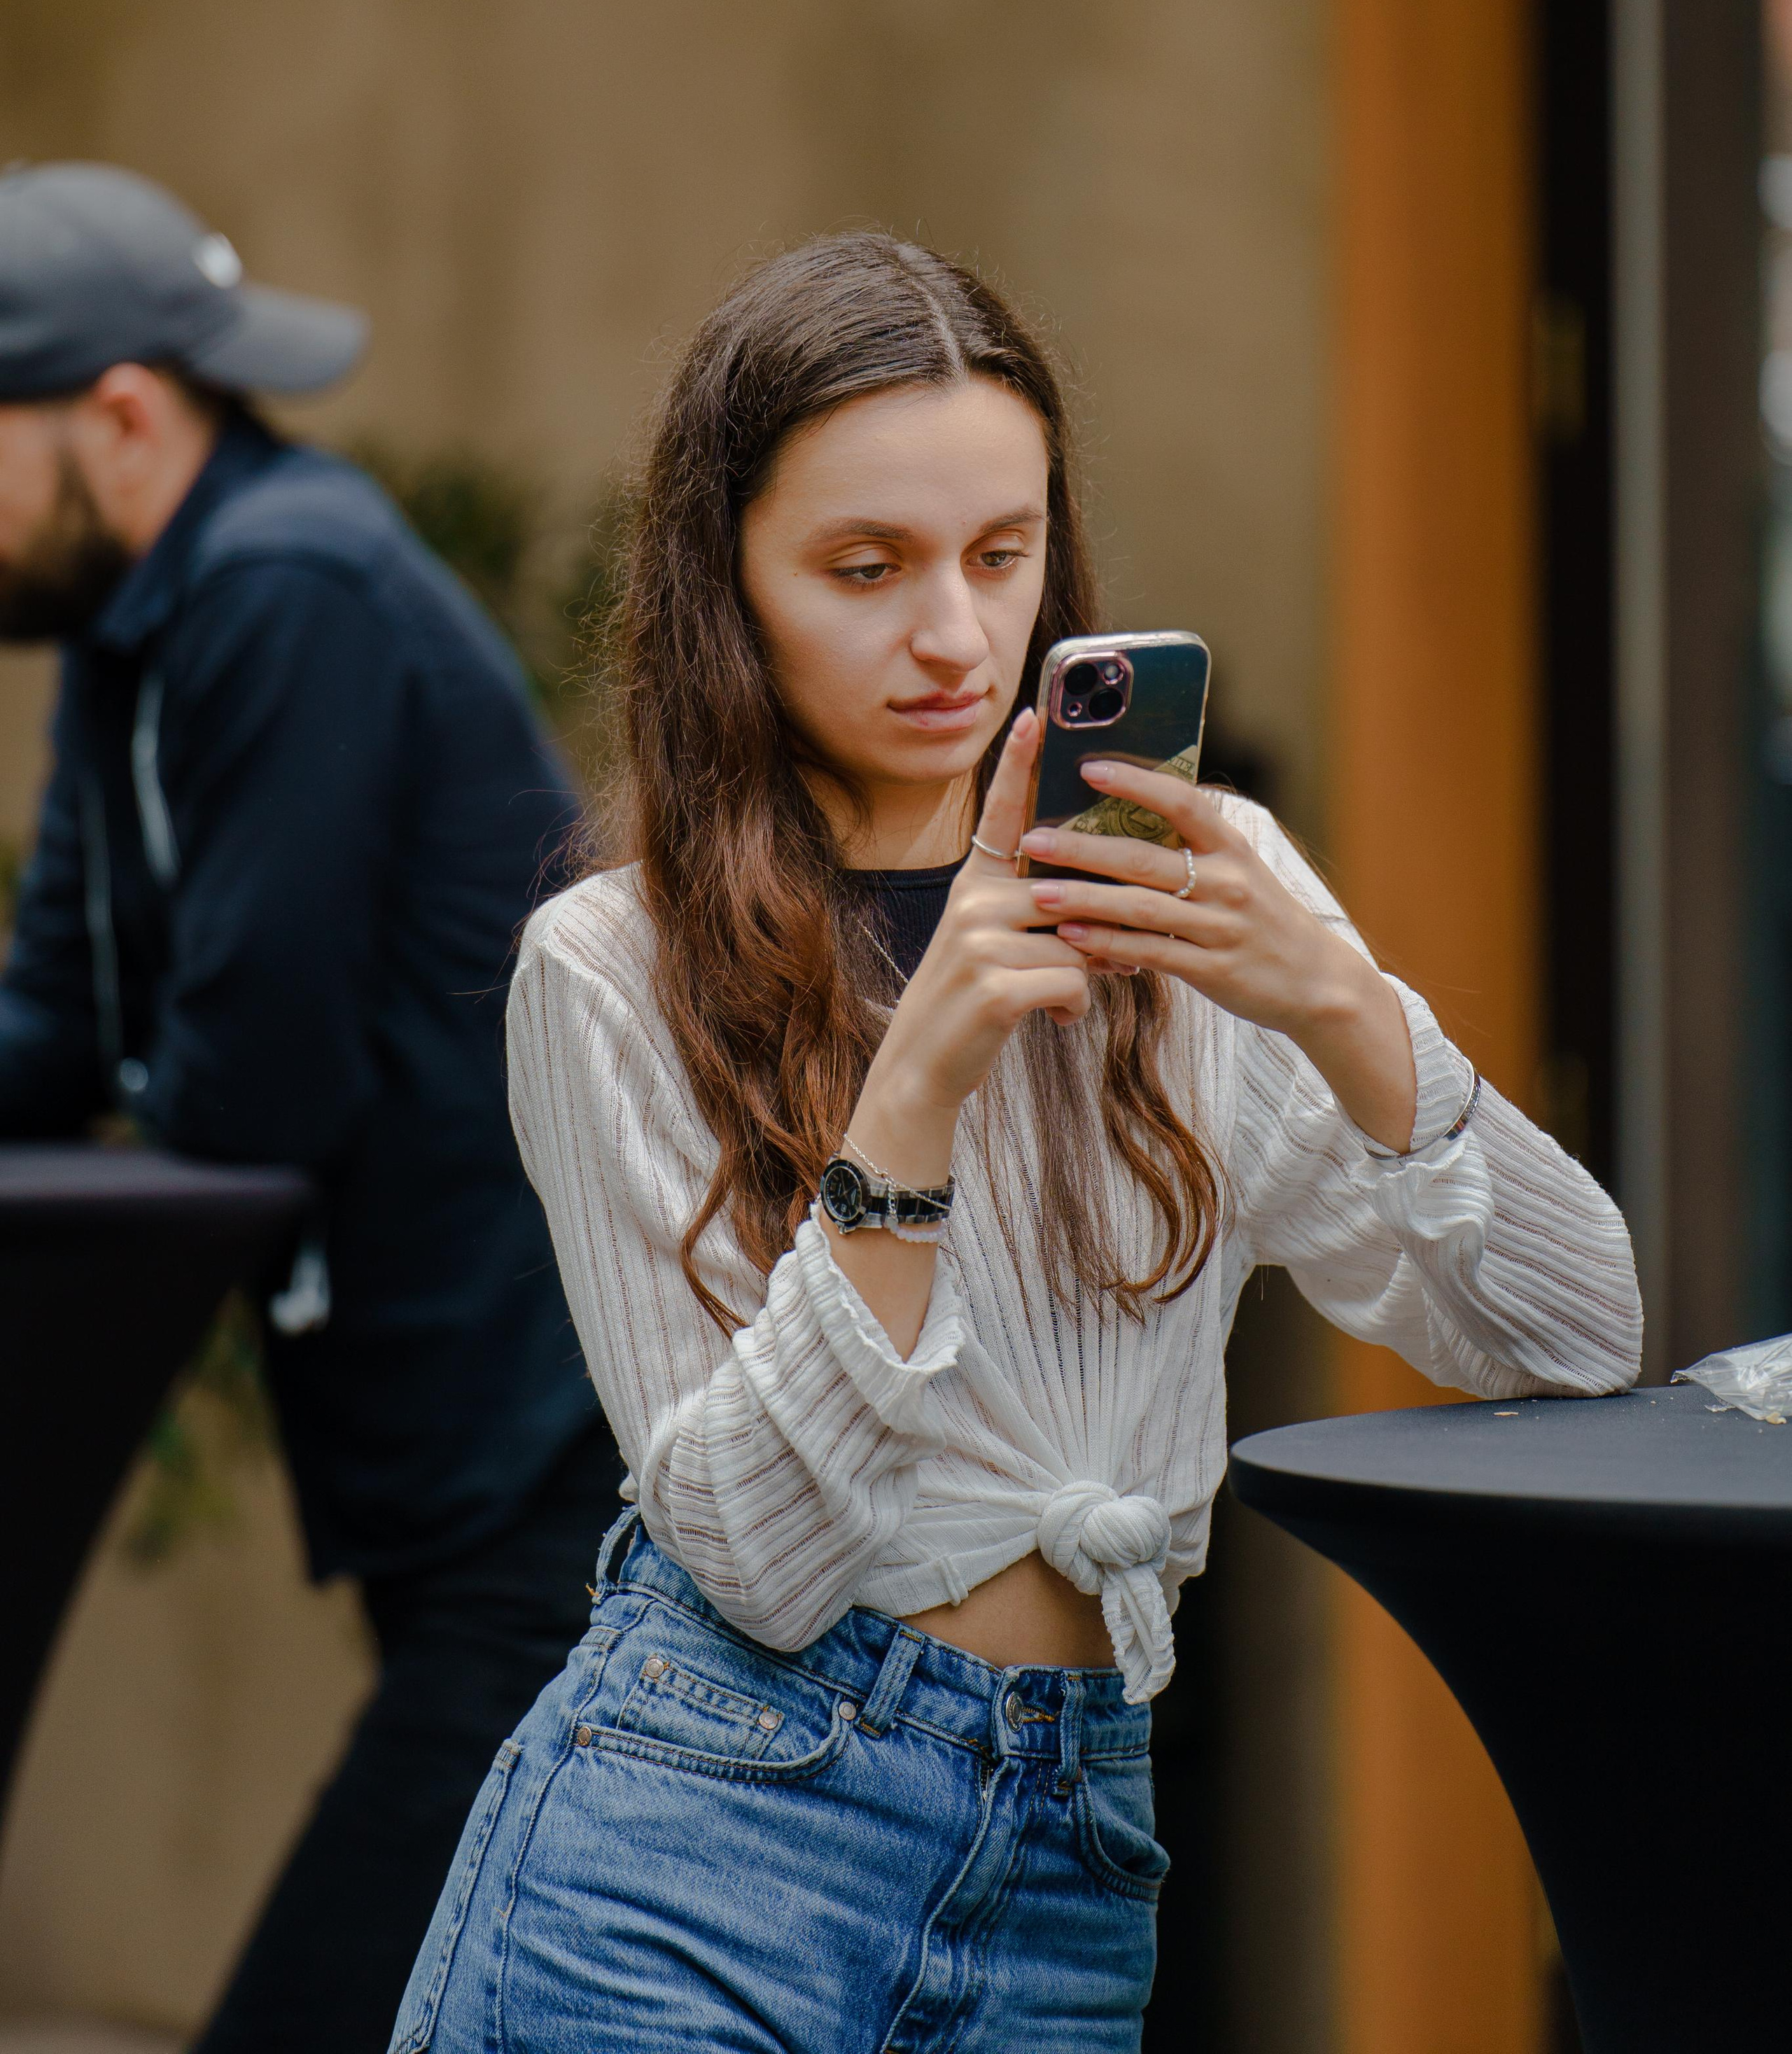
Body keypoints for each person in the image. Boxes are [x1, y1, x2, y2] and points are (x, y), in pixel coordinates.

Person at [393, 232, 1642, 2054]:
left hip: (1072, 1842)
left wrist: (1348, 1012)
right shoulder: (615, 965)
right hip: (702, 1832)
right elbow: (751, 1553)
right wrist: (920, 1089)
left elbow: (1574, 1333)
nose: (957, 636)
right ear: (724, 576)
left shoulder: (1194, 908)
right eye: (865, 567)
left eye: (1004, 552)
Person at [0, 164, 622, 2054]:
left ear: (119, 416)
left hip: (557, 1481)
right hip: (443, 1475)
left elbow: (253, 1074)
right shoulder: (142, 639)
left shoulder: (289, 594)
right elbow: (58, 1011)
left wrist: (139, 1076)